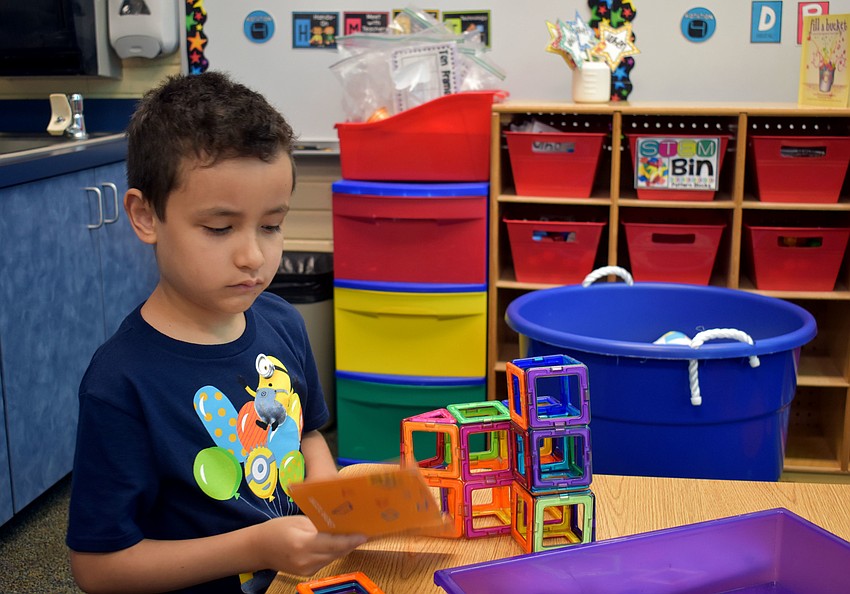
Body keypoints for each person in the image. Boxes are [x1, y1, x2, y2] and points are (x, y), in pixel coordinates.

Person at [66, 71, 366, 594]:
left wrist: (326, 497)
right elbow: (98, 568)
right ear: (145, 216)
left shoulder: (282, 322)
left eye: (271, 225)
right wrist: (257, 546)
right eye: (220, 228)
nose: (253, 256)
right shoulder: (120, 383)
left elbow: (310, 433)